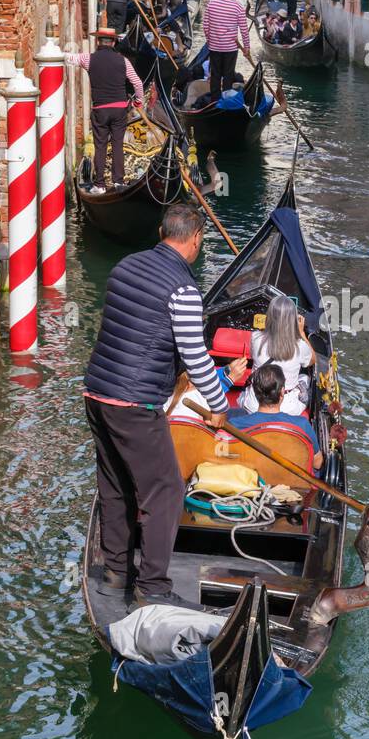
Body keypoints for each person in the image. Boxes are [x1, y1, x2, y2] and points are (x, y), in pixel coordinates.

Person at [84, 205, 228, 610]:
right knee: (165, 491)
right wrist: (219, 406)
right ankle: (153, 588)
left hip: (95, 393)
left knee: (114, 486)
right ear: (196, 239)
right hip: (134, 402)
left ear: (161, 231)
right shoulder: (183, 290)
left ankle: (116, 574)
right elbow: (195, 357)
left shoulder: (125, 267)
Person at [65, 28, 146, 194]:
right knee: (117, 144)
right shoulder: (123, 61)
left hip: (100, 110)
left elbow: (69, 59)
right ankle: (118, 182)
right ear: (114, 42)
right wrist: (138, 102)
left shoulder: (88, 59)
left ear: (98, 42)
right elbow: (138, 84)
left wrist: (56, 52)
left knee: (100, 146)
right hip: (119, 110)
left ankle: (100, 185)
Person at [229, 364, 324, 473]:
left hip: (249, 481)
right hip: (290, 483)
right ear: (282, 392)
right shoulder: (302, 425)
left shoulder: (234, 424)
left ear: (255, 392)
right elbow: (317, 463)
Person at [239, 294, 313, 416]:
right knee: (305, 378)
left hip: (254, 405)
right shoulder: (300, 346)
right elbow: (312, 361)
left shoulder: (256, 338)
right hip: (288, 409)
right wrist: (301, 333)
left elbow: (253, 356)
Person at [203, 0, 251, 97]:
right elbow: (244, 30)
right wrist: (247, 48)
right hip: (230, 48)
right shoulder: (238, 7)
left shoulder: (212, 3)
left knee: (215, 74)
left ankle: (215, 100)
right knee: (228, 75)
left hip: (214, 47)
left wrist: (210, 40)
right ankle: (225, 100)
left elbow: (205, 25)